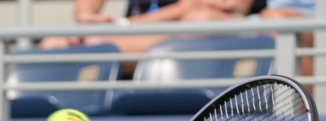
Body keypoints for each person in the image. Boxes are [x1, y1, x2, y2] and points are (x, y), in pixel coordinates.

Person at [41, 0, 264, 76]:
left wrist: (123, 27)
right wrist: (86, 18)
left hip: (194, 33)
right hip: (133, 33)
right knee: (52, 44)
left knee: (199, 21)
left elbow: (195, 7)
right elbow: (86, 11)